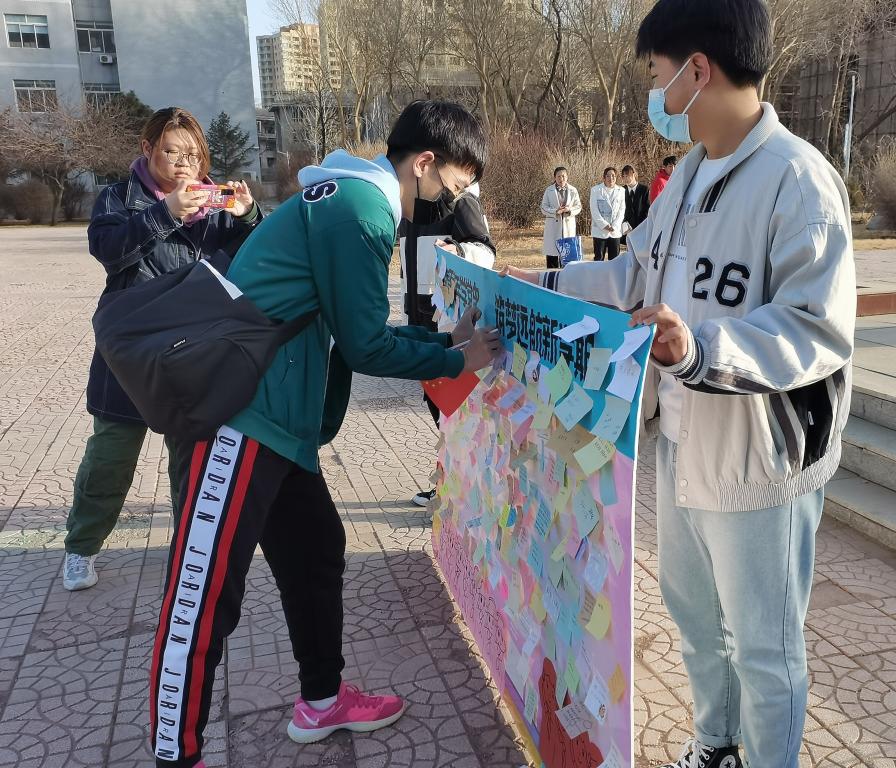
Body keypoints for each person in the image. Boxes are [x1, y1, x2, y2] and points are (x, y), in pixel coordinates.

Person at [503, 1, 856, 766]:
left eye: (656, 73)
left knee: (765, 648)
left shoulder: (797, 180)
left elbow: (816, 329)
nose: (655, 93)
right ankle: (715, 745)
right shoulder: (688, 175)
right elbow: (632, 274)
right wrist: (539, 281)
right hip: (679, 441)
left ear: (698, 71)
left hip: (758, 462)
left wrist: (698, 349)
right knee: (694, 618)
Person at [148, 100, 502, 768]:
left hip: (282, 422)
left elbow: (351, 322)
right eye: (453, 189)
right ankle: (176, 752)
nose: (452, 206)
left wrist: (444, 342)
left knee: (316, 550)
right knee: (205, 588)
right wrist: (458, 360)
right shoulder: (363, 213)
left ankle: (321, 700)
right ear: (424, 164)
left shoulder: (349, 197)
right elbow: (366, 347)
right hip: (242, 416)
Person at [62, 107, 262, 592]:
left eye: (192, 154)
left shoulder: (216, 203)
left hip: (193, 346)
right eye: (171, 152)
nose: (183, 163)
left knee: (192, 457)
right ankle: (81, 546)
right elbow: (108, 250)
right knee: (111, 452)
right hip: (132, 345)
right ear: (148, 148)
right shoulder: (120, 197)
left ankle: (189, 548)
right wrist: (166, 212)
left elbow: (258, 258)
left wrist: (249, 216)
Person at [402, 181, 496, 507]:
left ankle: (459, 490)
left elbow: (486, 251)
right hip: (419, 322)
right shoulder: (409, 203)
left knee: (454, 411)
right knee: (438, 406)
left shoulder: (461, 201)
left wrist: (458, 250)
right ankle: (450, 482)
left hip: (448, 325)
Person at [541, 166, 583, 268]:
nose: (561, 179)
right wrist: (555, 211)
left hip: (568, 225)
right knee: (553, 256)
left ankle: (568, 276)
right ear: (555, 177)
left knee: (568, 257)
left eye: (563, 176)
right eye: (559, 176)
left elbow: (578, 206)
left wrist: (569, 210)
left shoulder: (573, 190)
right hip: (553, 227)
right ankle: (552, 276)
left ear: (567, 177)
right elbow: (543, 207)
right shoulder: (549, 190)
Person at [590, 166, 626, 260]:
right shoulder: (595, 190)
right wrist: (604, 225)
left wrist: (615, 225)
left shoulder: (621, 191)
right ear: (604, 177)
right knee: (599, 259)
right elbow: (594, 210)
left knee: (615, 260)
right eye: (608, 176)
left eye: (613, 176)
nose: (611, 178)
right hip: (600, 231)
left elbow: (622, 210)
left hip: (614, 231)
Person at [622, 164, 651, 234]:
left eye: (627, 176)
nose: (625, 179)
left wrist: (640, 226)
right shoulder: (621, 190)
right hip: (626, 230)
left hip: (641, 228)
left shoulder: (644, 189)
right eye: (624, 176)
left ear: (633, 174)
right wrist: (624, 225)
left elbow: (647, 209)